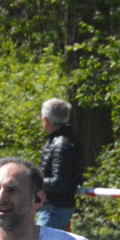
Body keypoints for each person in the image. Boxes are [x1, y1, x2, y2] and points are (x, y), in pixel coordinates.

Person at [37, 98, 83, 230]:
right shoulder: (64, 140)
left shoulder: (61, 144)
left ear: (45, 119)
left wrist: (33, 181)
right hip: (54, 207)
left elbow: (60, 182)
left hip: (55, 209)